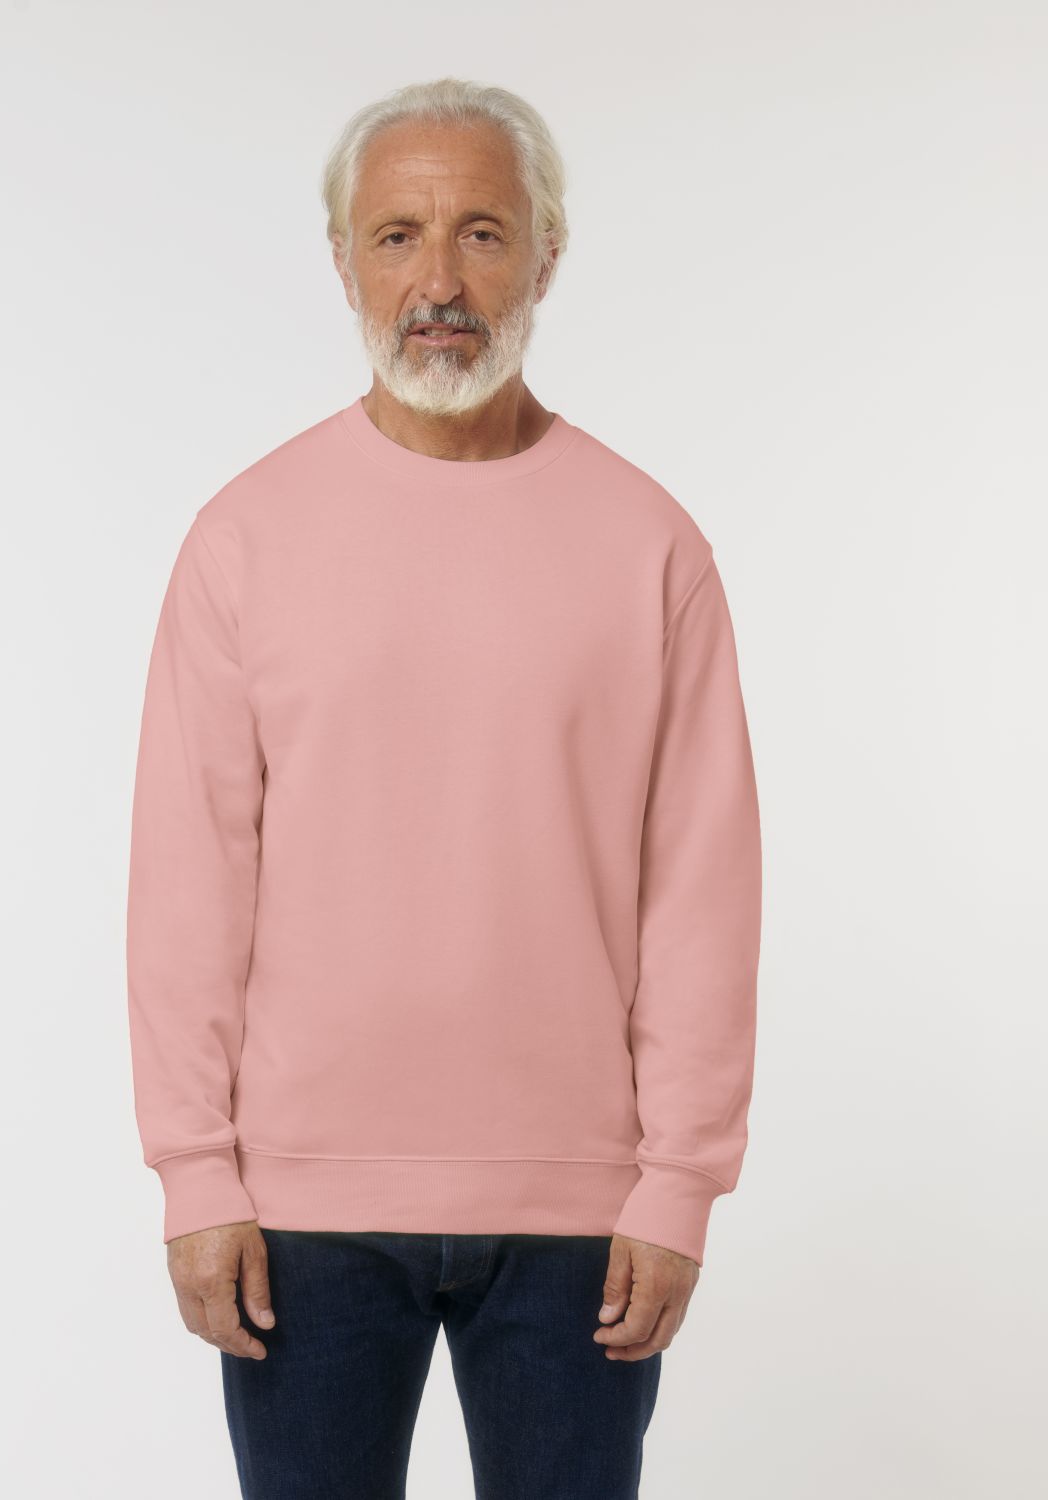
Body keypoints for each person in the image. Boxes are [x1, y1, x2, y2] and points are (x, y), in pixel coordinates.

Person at [126, 75, 762, 1500]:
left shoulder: (650, 545)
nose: (438, 284)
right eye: (397, 236)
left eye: (481, 232)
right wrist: (197, 1172)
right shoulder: (244, 539)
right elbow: (188, 883)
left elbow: (703, 889)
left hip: (584, 1214)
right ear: (343, 261)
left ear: (547, 255)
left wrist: (679, 1181)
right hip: (298, 1210)